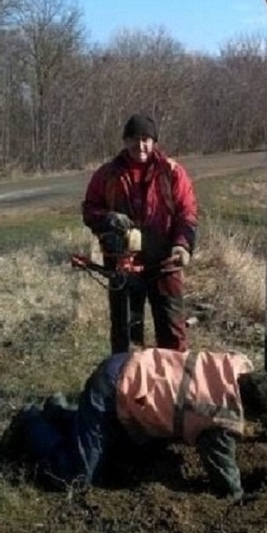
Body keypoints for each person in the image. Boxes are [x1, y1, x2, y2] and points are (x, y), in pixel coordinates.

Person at [3, 348, 267, 502]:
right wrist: (236, 496)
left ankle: (60, 411)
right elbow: (222, 467)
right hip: (116, 389)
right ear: (243, 406)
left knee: (109, 440)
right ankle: (29, 422)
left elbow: (264, 398)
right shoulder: (218, 414)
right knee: (77, 476)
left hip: (131, 368)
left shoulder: (237, 367)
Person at [82, 114, 198, 354]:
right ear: (125, 141)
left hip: (165, 263)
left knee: (172, 333)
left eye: (146, 139)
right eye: (134, 139)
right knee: (126, 336)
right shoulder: (107, 173)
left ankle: (172, 386)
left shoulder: (172, 171)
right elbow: (90, 209)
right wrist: (108, 218)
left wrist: (182, 245)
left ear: (154, 142)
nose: (141, 145)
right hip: (123, 265)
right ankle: (128, 385)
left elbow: (187, 212)